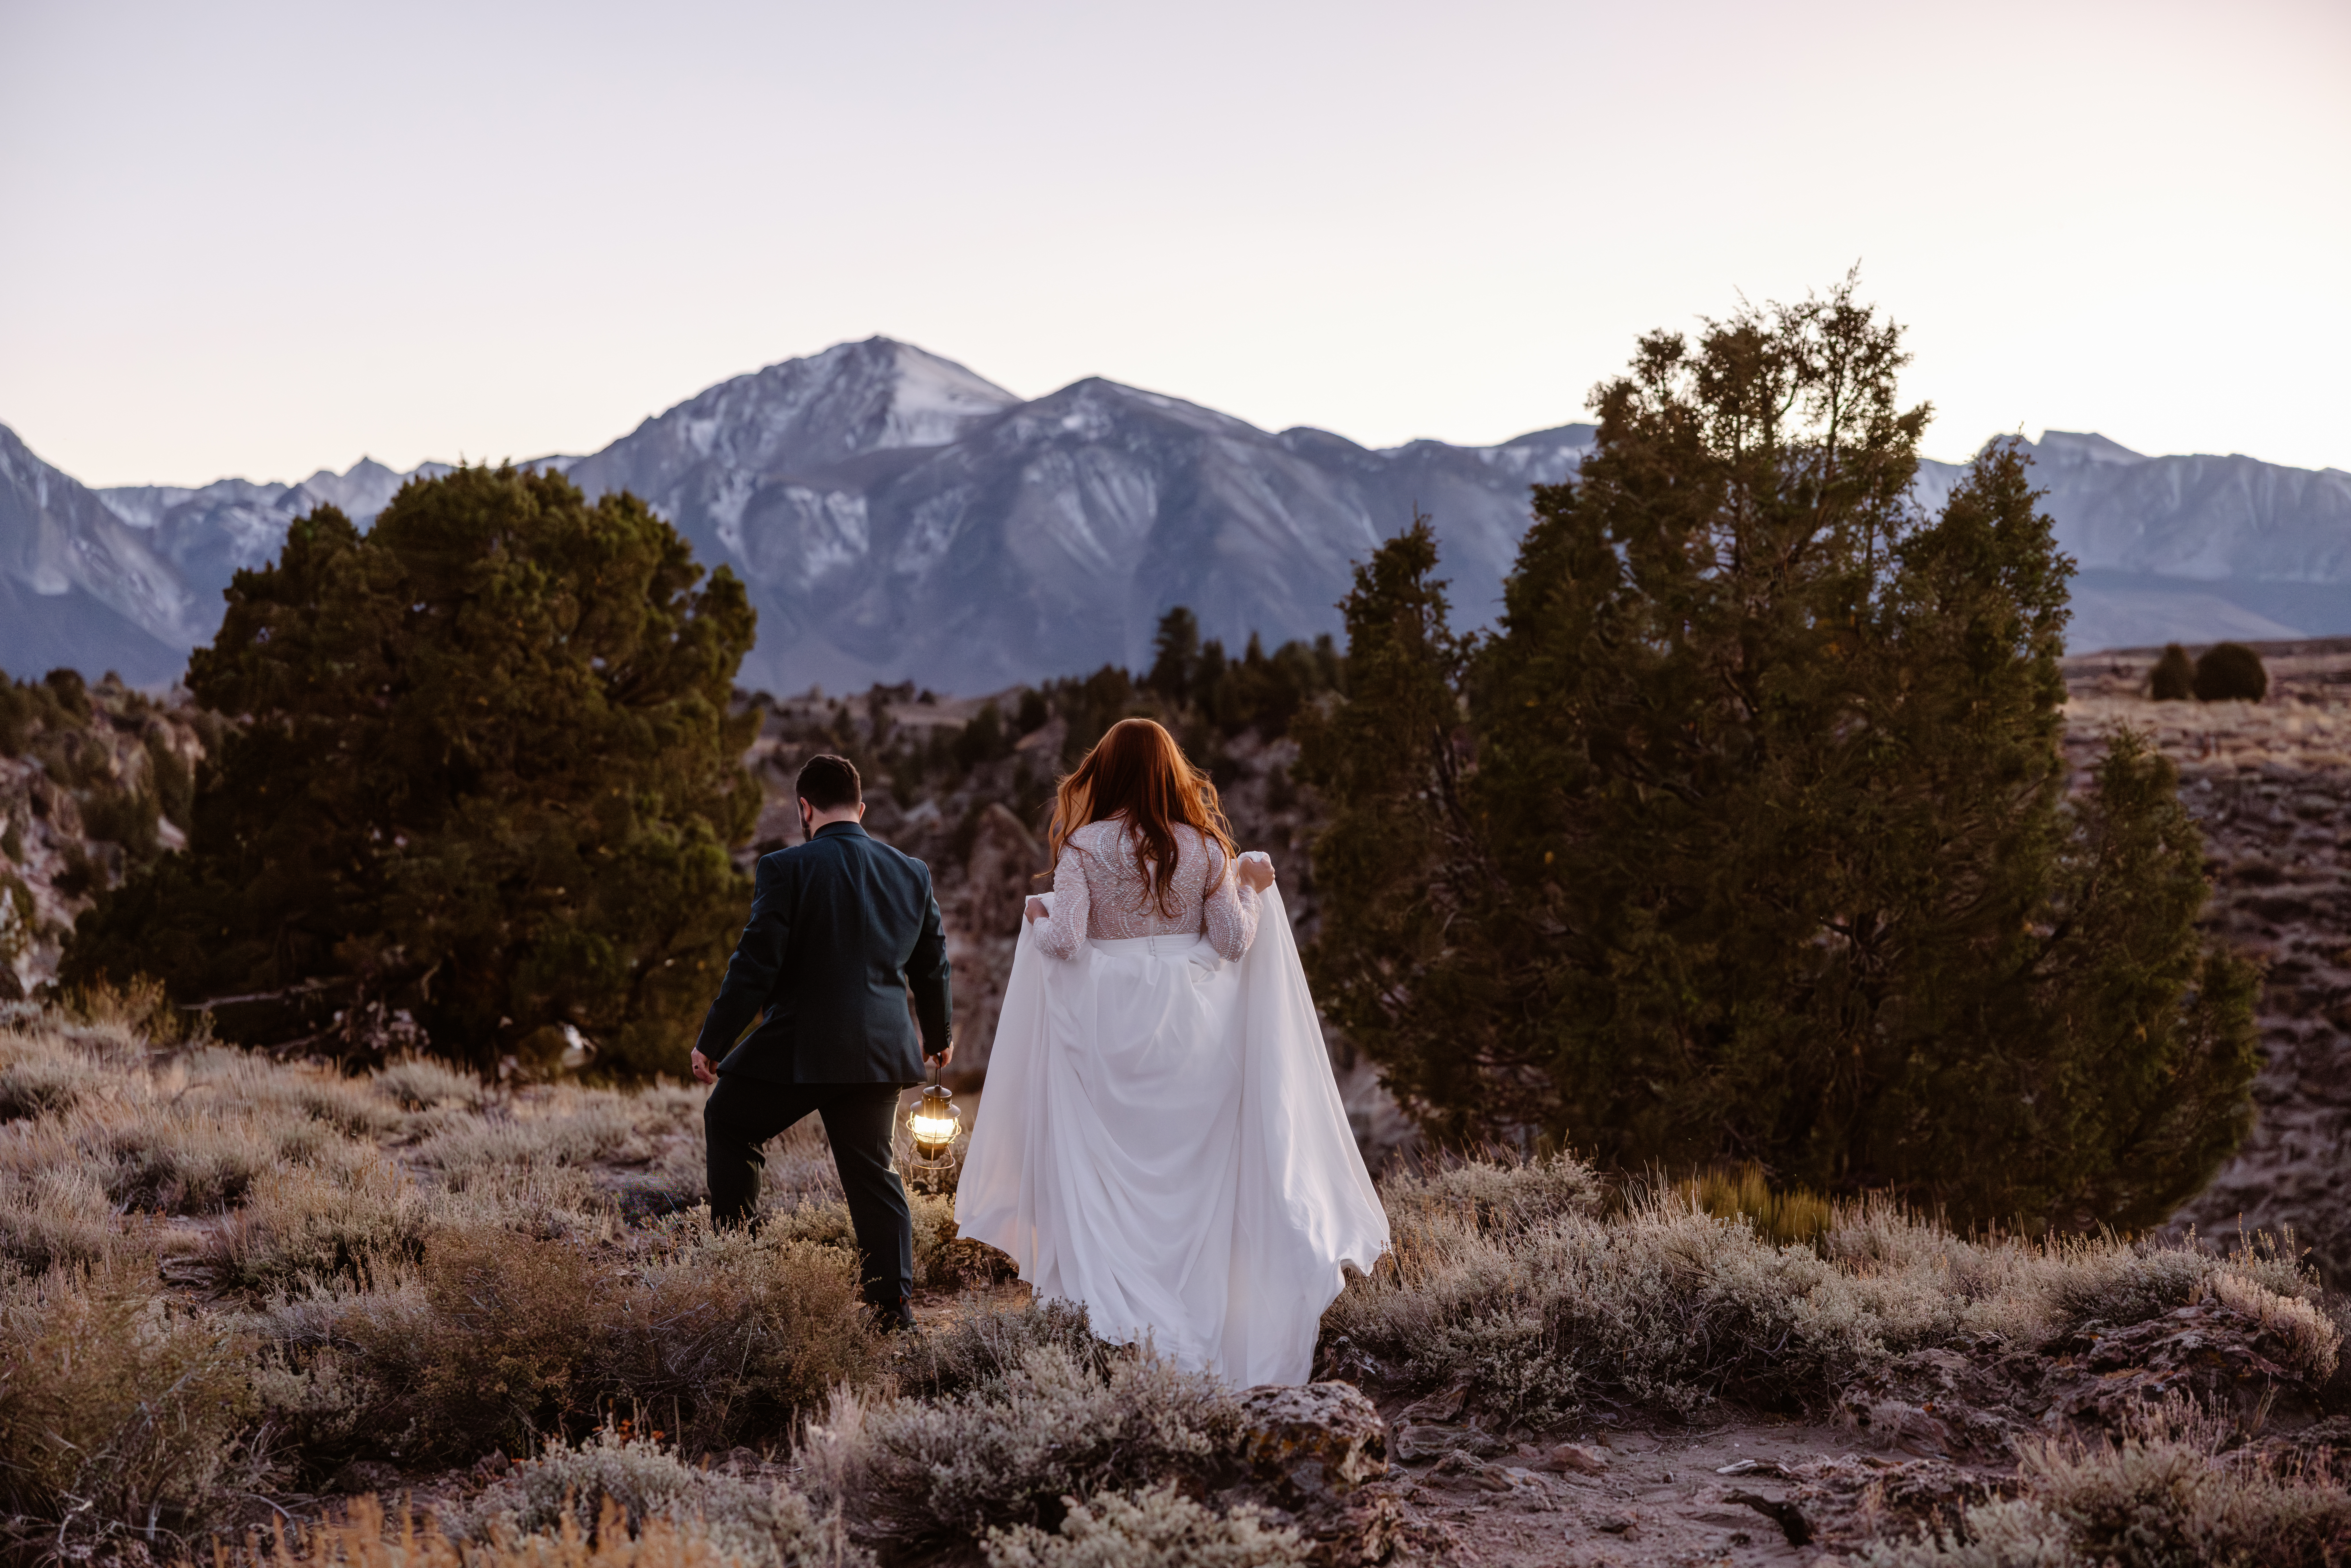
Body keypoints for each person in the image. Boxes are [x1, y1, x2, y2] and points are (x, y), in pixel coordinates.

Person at [956, 718, 1388, 1386]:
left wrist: (1038, 917)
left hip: (1111, 1036)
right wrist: (1246, 883)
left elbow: (1067, 941)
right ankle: (1206, 1313)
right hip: (1193, 1035)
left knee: (1110, 1166)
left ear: (1104, 773)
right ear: (1171, 773)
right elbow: (1233, 941)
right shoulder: (1206, 847)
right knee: (1196, 1173)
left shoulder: (1082, 847)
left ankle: (1121, 1326)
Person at [690, 753, 951, 1332]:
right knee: (873, 1174)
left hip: (800, 1043)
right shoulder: (912, 871)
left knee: (730, 1121)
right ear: (861, 808)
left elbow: (754, 964)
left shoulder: (786, 866)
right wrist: (938, 1036)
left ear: (804, 807)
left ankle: (738, 1271)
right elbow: (932, 964)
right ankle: (894, 1308)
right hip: (882, 1047)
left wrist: (713, 1040)